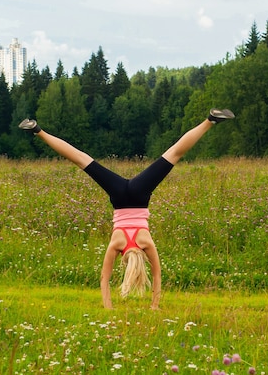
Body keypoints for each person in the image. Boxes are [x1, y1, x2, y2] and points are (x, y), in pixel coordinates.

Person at [19, 108, 235, 309]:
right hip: (120, 196)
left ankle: (210, 120)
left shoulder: (146, 243)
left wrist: (155, 305)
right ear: (126, 261)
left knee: (173, 154)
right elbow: (104, 280)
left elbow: (158, 277)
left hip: (140, 195)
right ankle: (37, 130)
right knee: (80, 158)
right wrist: (109, 308)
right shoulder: (117, 243)